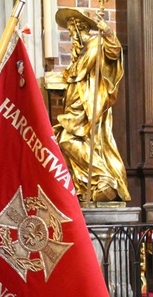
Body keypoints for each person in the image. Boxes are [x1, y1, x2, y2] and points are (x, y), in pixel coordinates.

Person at [53, 7, 130, 203]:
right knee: (64, 139)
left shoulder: (97, 44)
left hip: (89, 105)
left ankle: (104, 178)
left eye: (72, 29)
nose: (71, 34)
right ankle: (87, 183)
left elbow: (114, 51)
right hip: (75, 106)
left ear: (81, 28)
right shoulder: (79, 52)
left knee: (67, 140)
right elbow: (72, 77)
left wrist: (107, 32)